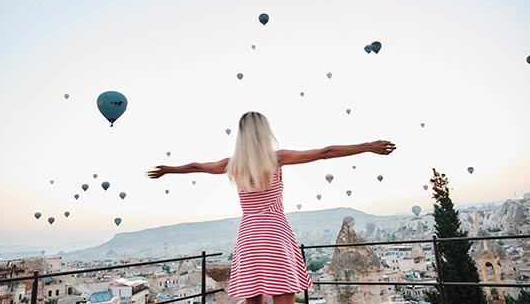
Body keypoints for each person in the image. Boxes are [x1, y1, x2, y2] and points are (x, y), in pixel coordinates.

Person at [147, 111, 396, 304]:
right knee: (284, 294)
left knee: (252, 299)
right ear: (264, 133)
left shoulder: (233, 164)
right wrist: (367, 146)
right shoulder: (275, 159)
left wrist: (169, 170)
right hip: (275, 235)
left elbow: (197, 166)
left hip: (249, 237)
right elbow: (324, 152)